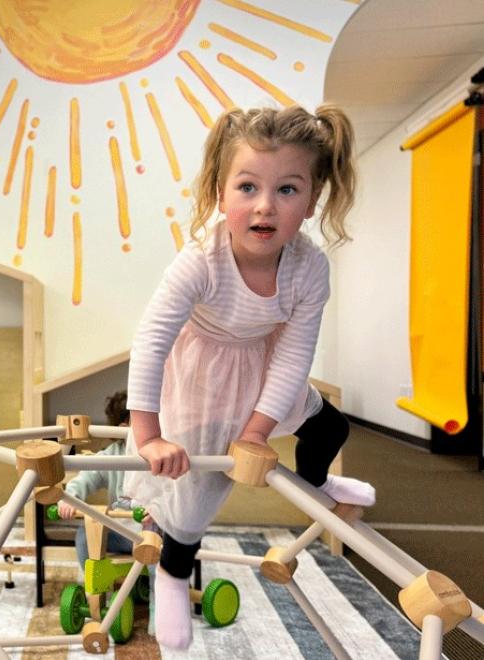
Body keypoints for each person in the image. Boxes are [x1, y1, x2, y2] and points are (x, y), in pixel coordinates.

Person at [124, 105, 374, 649]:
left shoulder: (309, 267)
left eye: (287, 189)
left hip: (262, 369)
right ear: (220, 195)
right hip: (199, 377)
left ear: (311, 202)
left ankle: (318, 484)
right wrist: (149, 435)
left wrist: (259, 430)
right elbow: (150, 343)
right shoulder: (200, 262)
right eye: (247, 187)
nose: (265, 205)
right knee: (194, 499)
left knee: (330, 427)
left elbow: (293, 355)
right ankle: (170, 574)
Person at [56, 390, 140, 569]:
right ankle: (94, 589)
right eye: (142, 420)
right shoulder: (111, 455)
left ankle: (159, 595)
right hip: (122, 533)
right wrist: (70, 498)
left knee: (163, 549)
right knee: (85, 534)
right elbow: (86, 478)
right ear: (124, 429)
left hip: (154, 534)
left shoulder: (159, 454)